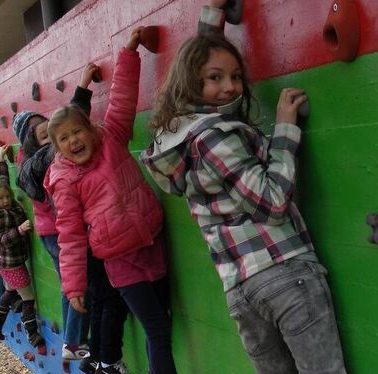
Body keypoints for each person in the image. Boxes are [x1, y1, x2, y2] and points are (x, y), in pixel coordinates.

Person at [139, 2, 347, 373]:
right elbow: (271, 203)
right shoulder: (217, 139)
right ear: (191, 80)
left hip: (241, 292)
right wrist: (285, 128)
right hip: (284, 273)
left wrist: (211, 15)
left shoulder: (177, 139)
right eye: (216, 78)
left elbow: (202, 62)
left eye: (235, 77)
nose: (231, 86)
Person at [45, 27, 176, 374]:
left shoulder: (111, 139)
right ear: (57, 149)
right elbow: (70, 236)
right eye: (63, 139)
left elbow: (122, 100)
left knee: (161, 325)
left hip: (150, 242)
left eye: (76, 132)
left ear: (89, 130)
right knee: (156, 328)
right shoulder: (65, 181)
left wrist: (129, 51)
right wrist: (73, 285)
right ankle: (91, 361)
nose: (73, 141)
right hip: (120, 260)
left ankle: (107, 361)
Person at [12, 63, 101, 362]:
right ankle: (76, 348)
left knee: (70, 289)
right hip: (56, 232)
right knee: (79, 289)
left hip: (53, 231)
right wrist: (82, 90)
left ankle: (70, 348)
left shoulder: (32, 160)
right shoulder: (35, 163)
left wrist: (85, 85)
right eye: (45, 133)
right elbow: (71, 122)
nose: (54, 136)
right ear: (32, 139)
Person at [0, 146, 46, 353]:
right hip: (12, 263)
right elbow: (2, 238)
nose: (6, 200)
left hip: (6, 263)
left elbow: (2, 182)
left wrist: (0, 159)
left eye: (7, 197)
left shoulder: (3, 205)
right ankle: (33, 334)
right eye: (1, 199)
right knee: (27, 298)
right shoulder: (0, 215)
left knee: (9, 292)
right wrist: (19, 230)